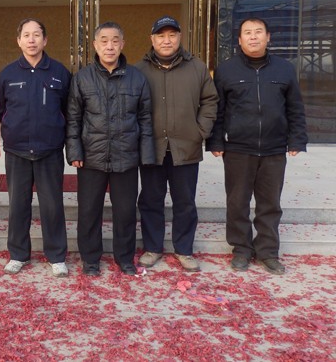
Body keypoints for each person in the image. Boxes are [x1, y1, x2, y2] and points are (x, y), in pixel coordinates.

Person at [207, 17, 307, 275]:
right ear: (239, 40)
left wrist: (297, 139)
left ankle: (268, 252)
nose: (253, 37)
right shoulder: (226, 70)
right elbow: (218, 110)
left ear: (268, 37)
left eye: (258, 32)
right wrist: (215, 141)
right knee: (237, 203)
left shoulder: (285, 69)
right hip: (238, 148)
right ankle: (241, 249)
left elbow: (295, 107)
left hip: (274, 149)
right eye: (247, 33)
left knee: (270, 203)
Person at [66, 21, 155, 276]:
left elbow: (145, 118)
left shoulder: (137, 78)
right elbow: (73, 118)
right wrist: (74, 151)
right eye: (104, 41)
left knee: (125, 212)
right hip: (91, 157)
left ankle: (124, 259)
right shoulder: (82, 78)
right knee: (89, 211)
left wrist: (145, 155)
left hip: (126, 157)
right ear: (95, 45)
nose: (109, 46)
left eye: (115, 41)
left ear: (122, 44)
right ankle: (90, 259)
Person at [135, 16, 218, 272]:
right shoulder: (139, 70)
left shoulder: (197, 68)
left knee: (185, 202)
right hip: (152, 148)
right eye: (161, 36)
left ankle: (184, 249)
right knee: (151, 200)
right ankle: (153, 248)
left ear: (180, 37)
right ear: (152, 39)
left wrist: (200, 131)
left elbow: (210, 100)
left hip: (186, 147)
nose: (166, 40)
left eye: (172, 35)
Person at [0, 18, 71, 278]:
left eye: (36, 35)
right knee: (18, 204)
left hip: (49, 150)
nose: (31, 40)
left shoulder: (59, 73)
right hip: (17, 150)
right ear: (18, 41)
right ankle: (18, 254)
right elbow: (1, 109)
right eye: (26, 35)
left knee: (52, 205)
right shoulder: (8, 74)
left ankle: (57, 256)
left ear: (45, 40)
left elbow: (68, 110)